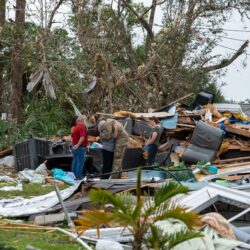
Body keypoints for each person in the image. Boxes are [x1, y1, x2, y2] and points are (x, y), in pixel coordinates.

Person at [71, 115, 88, 180]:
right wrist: (78, 145)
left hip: (74, 146)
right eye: (85, 120)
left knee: (75, 161)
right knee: (80, 163)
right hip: (80, 147)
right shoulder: (82, 127)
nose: (86, 122)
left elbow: (73, 137)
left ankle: (74, 176)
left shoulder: (75, 127)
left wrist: (74, 145)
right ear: (82, 120)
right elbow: (82, 137)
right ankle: (78, 177)